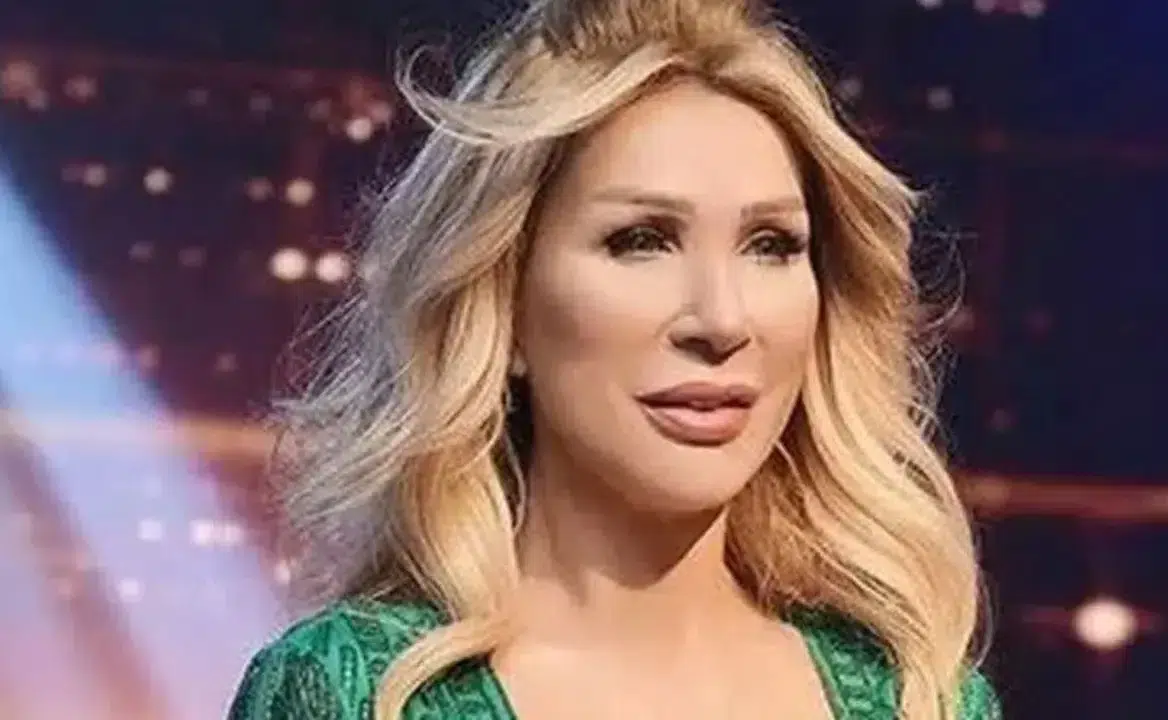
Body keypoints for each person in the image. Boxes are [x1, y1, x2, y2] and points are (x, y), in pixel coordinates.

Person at [228, 0, 1000, 718]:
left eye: (771, 245)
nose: (722, 320)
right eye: (640, 241)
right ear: (506, 298)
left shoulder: (920, 696)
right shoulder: (357, 691)